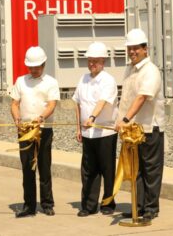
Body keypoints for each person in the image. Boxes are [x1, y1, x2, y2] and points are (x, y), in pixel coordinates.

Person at [115, 28, 165, 220]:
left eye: (136, 48)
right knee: (135, 169)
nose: (132, 52)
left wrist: (125, 119)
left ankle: (151, 208)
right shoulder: (129, 69)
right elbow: (126, 98)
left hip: (149, 128)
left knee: (151, 169)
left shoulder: (150, 71)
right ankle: (139, 206)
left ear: (146, 49)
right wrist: (119, 121)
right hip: (132, 130)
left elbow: (142, 97)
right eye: (130, 48)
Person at [10, 46, 60, 218]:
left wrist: (41, 118)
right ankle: (29, 205)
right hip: (25, 130)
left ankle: (47, 203)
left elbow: (52, 104)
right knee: (27, 168)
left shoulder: (51, 82)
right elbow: (15, 104)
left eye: (37, 67)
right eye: (31, 67)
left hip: (43, 130)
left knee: (44, 167)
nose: (34, 70)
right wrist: (17, 120)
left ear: (44, 64)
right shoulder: (20, 81)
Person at [72, 42, 118, 217]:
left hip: (105, 131)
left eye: (95, 61)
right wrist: (78, 127)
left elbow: (102, 102)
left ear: (103, 61)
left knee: (107, 169)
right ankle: (88, 205)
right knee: (89, 170)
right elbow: (77, 103)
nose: (92, 64)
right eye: (90, 61)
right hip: (87, 132)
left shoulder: (108, 80)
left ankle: (108, 202)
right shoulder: (83, 79)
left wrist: (92, 118)